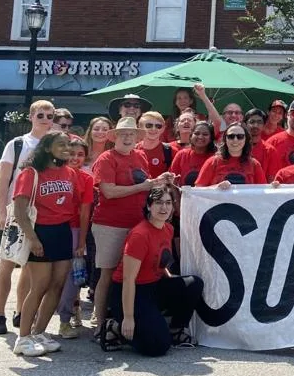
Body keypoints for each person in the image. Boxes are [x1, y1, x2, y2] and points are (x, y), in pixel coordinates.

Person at [92, 116, 174, 339]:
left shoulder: (140, 156)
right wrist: (144, 185)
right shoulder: (106, 159)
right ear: (115, 136)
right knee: (108, 274)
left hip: (137, 224)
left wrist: (159, 180)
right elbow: (108, 191)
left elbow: (145, 186)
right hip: (110, 224)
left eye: (132, 134)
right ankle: (100, 323)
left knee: (134, 275)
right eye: (123, 133)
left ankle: (125, 317)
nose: (128, 137)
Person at [106, 186, 204, 356]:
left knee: (193, 284)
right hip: (131, 291)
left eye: (168, 203)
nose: (164, 208)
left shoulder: (168, 229)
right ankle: (114, 327)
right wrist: (128, 317)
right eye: (158, 203)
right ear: (149, 206)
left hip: (154, 285)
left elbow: (159, 260)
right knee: (157, 347)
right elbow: (128, 280)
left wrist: (170, 279)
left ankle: (176, 330)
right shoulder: (139, 235)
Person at [10, 132, 83, 357]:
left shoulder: (70, 173)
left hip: (62, 232)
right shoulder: (30, 173)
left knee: (57, 285)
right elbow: (20, 210)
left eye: (68, 145)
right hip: (40, 232)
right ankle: (23, 338)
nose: (66, 149)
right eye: (60, 145)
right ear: (47, 147)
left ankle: (39, 332)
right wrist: (33, 238)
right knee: (39, 285)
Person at [0, 99, 55, 336]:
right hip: (17, 211)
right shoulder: (17, 144)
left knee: (29, 267)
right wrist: (2, 210)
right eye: (41, 115)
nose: (46, 120)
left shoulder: (54, 145)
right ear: (31, 117)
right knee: (6, 264)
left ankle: (20, 311)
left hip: (43, 214)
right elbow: (3, 179)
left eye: (50, 116)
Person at [56, 137, 94, 339]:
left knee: (73, 278)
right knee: (49, 277)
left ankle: (64, 321)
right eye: (71, 153)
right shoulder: (52, 174)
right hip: (52, 229)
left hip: (74, 231)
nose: (75, 158)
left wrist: (81, 242)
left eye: (80, 154)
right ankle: (36, 321)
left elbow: (85, 213)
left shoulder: (87, 179)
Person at [195, 123, 267, 189]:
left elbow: (263, 191)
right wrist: (215, 188)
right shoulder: (213, 162)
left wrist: (274, 187)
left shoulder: (254, 164)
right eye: (231, 136)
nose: (235, 140)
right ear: (225, 139)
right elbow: (197, 190)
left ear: (246, 139)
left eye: (240, 136)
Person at [169, 121, 217, 187]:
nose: (200, 137)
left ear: (211, 138)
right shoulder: (182, 155)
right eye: (197, 133)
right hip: (184, 196)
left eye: (205, 134)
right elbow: (171, 182)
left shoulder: (216, 158)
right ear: (191, 136)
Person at [136, 111, 178, 179]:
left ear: (163, 129)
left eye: (158, 126)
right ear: (140, 127)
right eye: (149, 125)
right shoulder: (131, 150)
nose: (153, 129)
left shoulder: (171, 151)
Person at [244, 108, 281, 181]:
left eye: (259, 122)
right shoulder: (236, 147)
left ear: (264, 125)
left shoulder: (270, 151)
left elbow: (272, 180)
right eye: (252, 122)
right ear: (245, 125)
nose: (255, 125)